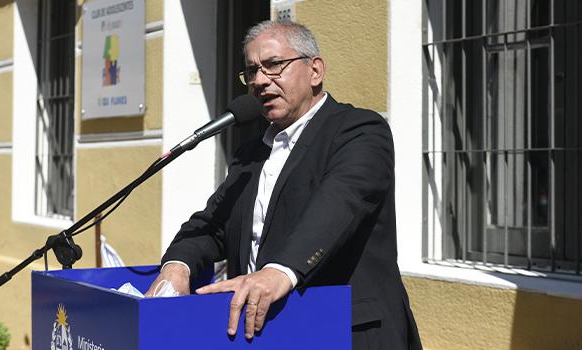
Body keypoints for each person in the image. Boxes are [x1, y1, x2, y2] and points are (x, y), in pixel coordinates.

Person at [146, 20, 422, 349]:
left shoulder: (358, 131)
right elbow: (213, 225)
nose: (260, 81)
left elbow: (338, 205)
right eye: (252, 71)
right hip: (266, 334)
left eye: (274, 65)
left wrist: (279, 271)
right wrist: (178, 266)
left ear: (315, 70)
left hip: (345, 332)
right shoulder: (250, 153)